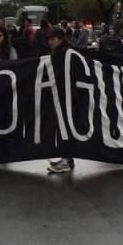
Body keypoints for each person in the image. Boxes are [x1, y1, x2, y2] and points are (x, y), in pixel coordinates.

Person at [44, 28, 75, 174]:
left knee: (66, 127)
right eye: (49, 39)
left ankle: (66, 160)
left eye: (53, 38)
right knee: (63, 127)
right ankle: (67, 158)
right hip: (62, 94)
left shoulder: (66, 53)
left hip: (68, 96)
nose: (50, 41)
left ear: (61, 39)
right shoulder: (58, 52)